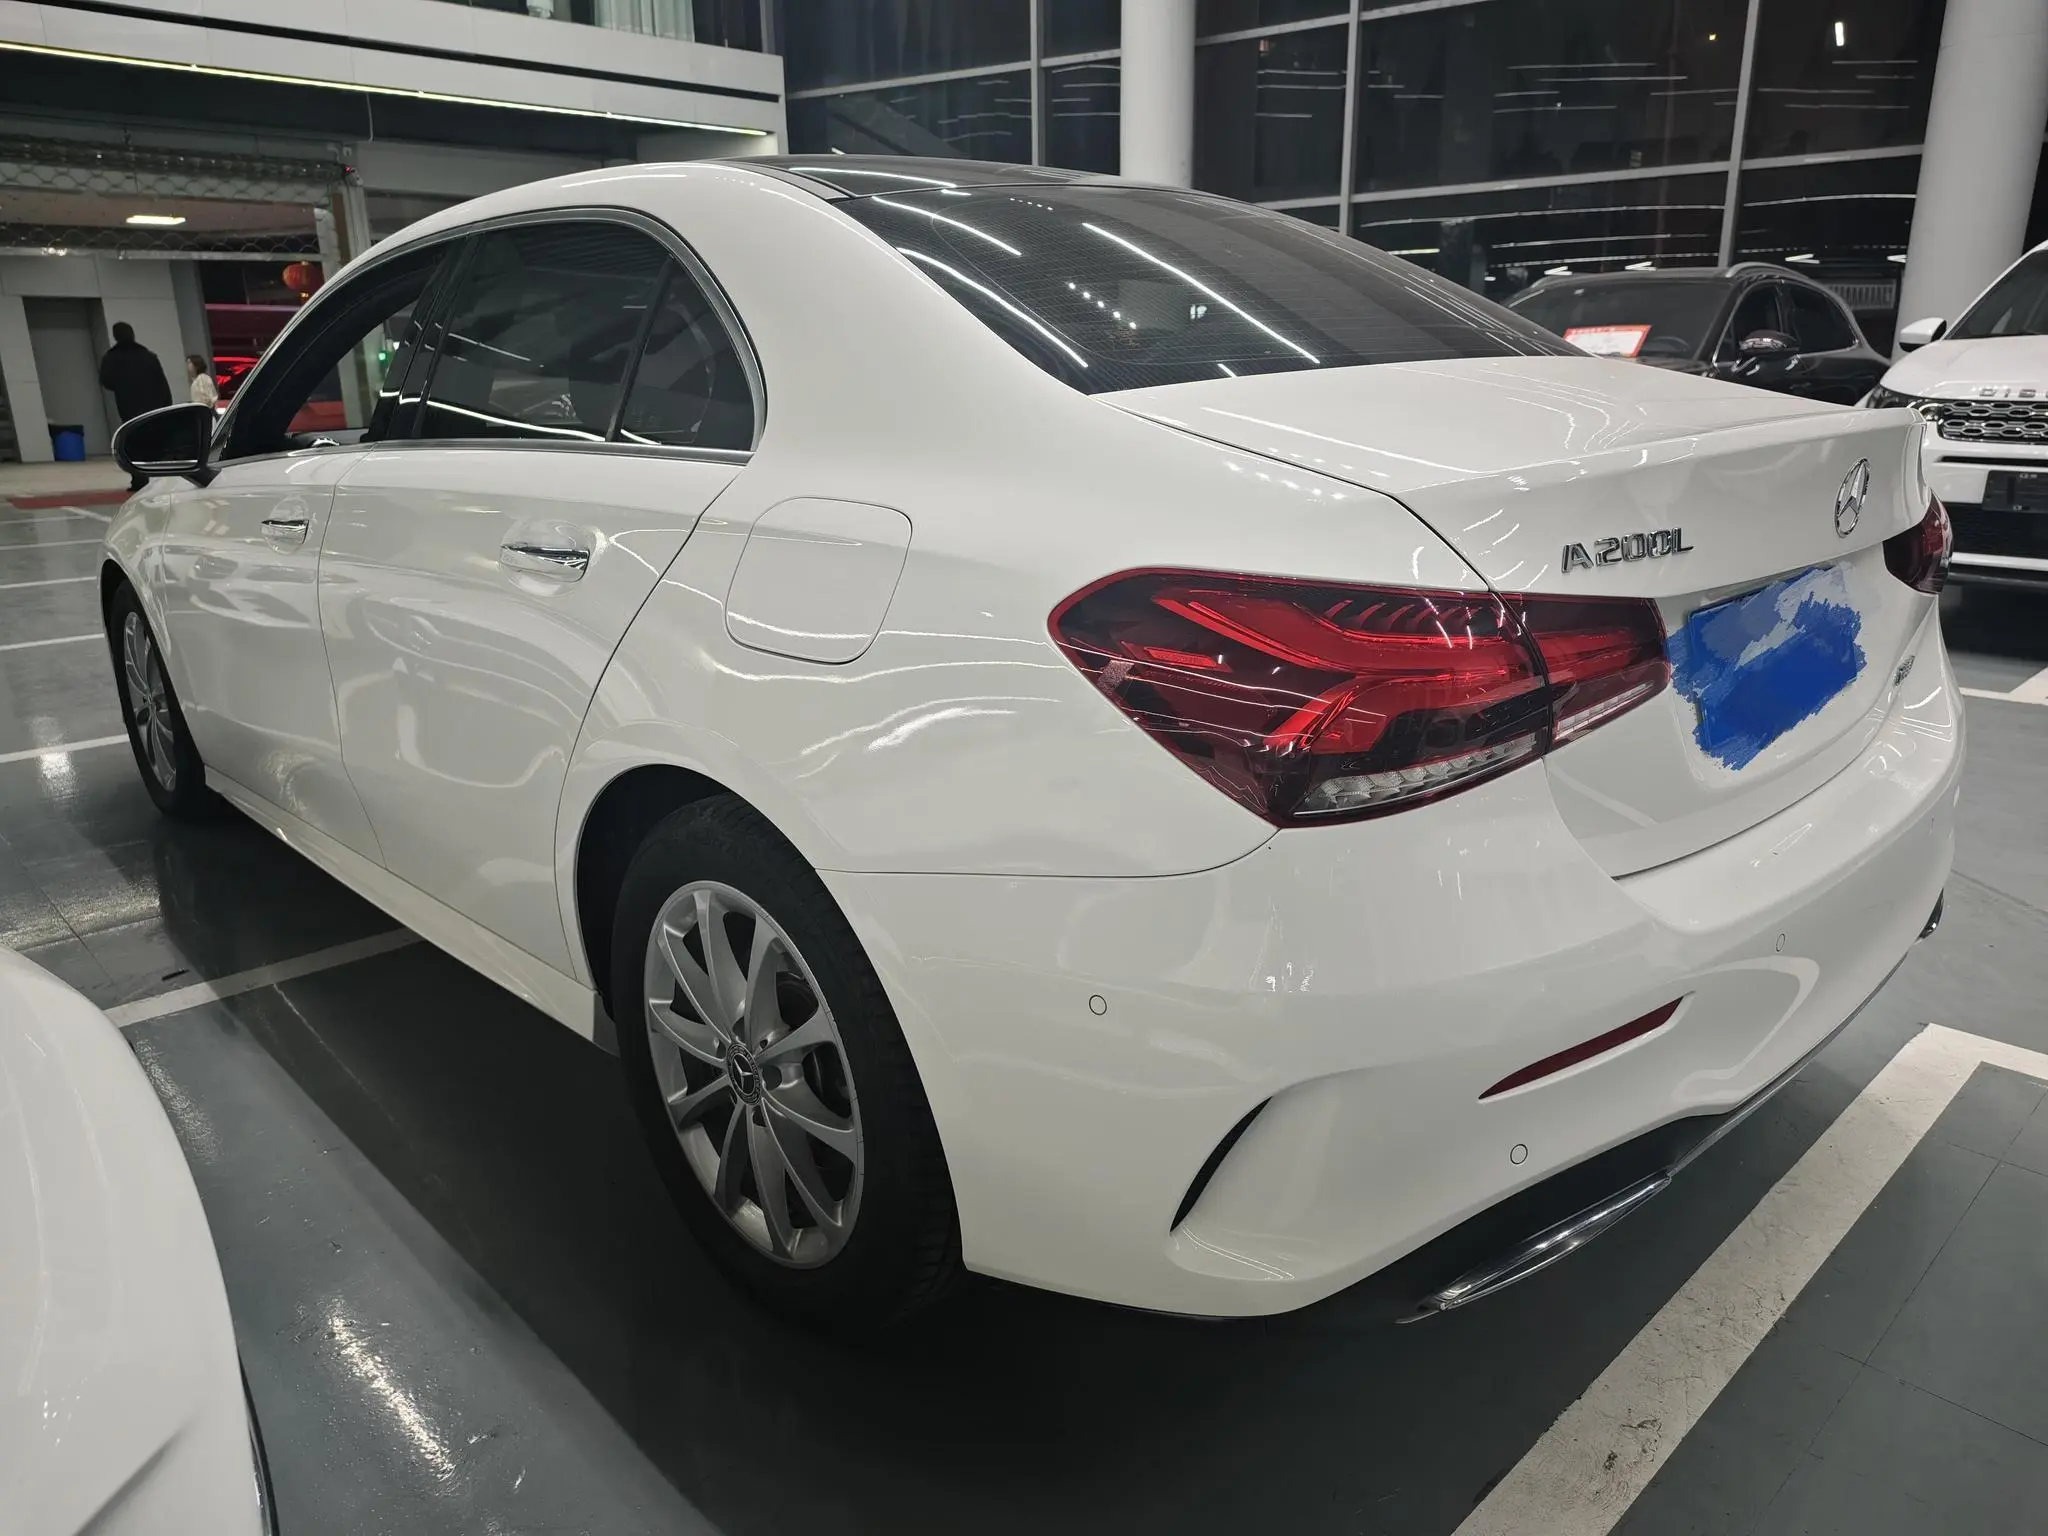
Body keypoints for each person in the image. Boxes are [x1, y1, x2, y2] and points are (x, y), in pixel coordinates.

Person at [99, 322, 173, 491]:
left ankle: (138, 479)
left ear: (115, 336)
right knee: (156, 441)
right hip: (154, 406)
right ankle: (162, 476)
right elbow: (162, 383)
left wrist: (122, 385)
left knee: (133, 443)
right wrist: (166, 404)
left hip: (129, 406)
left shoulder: (111, 358)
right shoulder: (148, 356)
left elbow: (106, 381)